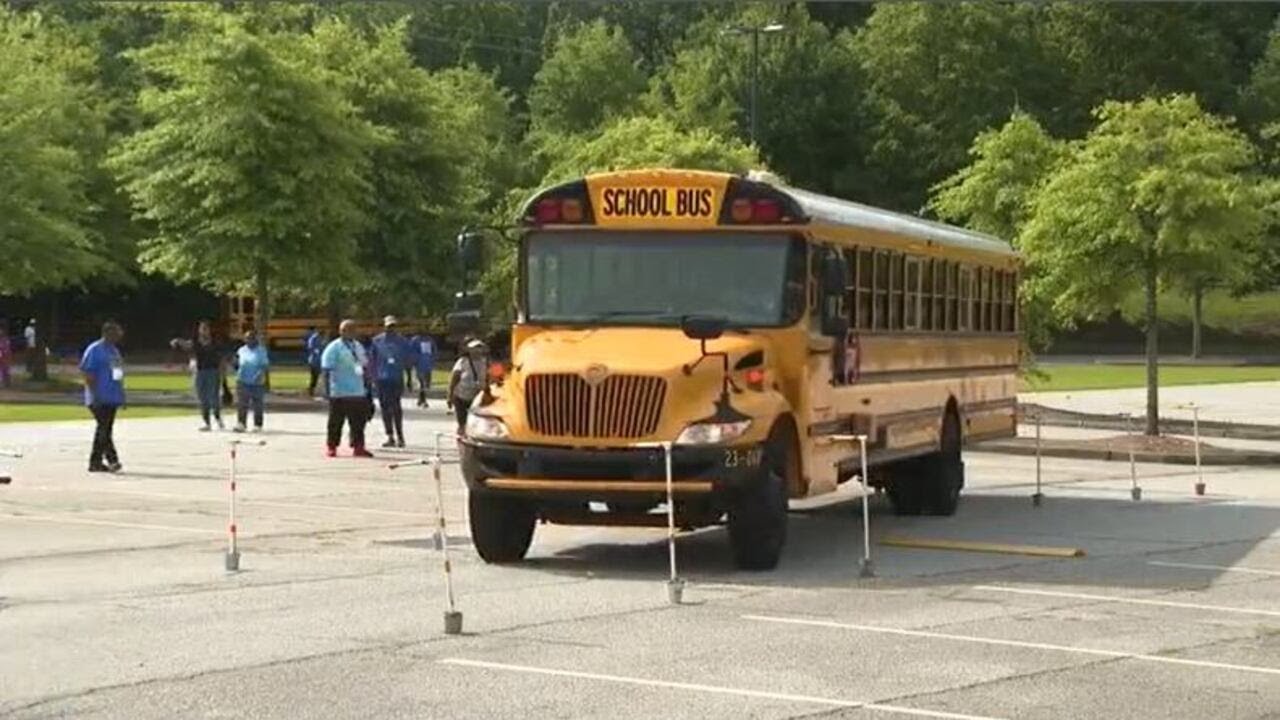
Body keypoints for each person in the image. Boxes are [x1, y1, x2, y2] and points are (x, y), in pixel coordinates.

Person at [320, 319, 373, 458]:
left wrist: (368, 384)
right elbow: (326, 369)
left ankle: (358, 447)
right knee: (335, 422)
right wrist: (326, 390)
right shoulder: (334, 347)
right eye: (345, 330)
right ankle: (332, 446)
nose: (348, 332)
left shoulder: (358, 346)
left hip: (357, 391)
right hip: (339, 391)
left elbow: (364, 365)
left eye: (351, 330)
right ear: (340, 331)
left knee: (358, 422)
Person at [79, 321, 126, 473]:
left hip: (112, 397)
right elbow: (88, 373)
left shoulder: (114, 351)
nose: (119, 336)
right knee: (104, 429)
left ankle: (98, 462)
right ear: (107, 333)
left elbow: (117, 374)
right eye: (116, 333)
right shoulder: (94, 350)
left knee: (105, 430)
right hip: (98, 397)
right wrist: (94, 394)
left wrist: (121, 394)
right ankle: (109, 460)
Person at [170, 320, 225, 431]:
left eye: (206, 328)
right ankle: (207, 423)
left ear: (209, 330)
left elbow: (221, 358)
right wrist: (177, 340)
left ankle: (218, 418)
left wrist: (222, 372)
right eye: (202, 328)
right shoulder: (196, 342)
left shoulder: (215, 342)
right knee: (202, 398)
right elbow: (187, 345)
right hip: (200, 372)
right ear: (199, 330)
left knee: (214, 397)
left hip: (213, 371)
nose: (204, 331)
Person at [371, 315, 410, 448]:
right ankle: (389, 435)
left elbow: (407, 360)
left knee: (396, 407)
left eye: (393, 326)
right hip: (382, 379)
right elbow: (372, 361)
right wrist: (372, 378)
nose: (391, 329)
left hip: (396, 378)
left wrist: (409, 378)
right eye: (389, 326)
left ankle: (400, 435)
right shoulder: (377, 341)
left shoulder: (402, 341)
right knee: (385, 408)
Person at [448, 338, 488, 435]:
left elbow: (494, 376)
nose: (477, 351)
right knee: (462, 422)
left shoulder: (486, 362)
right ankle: (461, 437)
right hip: (461, 396)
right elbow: (454, 379)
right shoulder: (462, 362)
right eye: (475, 348)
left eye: (479, 348)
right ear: (469, 350)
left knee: (476, 422)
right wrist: (450, 395)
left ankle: (472, 437)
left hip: (477, 397)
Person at [232, 329, 270, 433]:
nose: (249, 340)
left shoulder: (261, 350)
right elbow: (236, 362)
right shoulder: (241, 350)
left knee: (257, 404)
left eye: (251, 338)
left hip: (257, 382)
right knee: (242, 403)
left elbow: (265, 365)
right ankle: (241, 424)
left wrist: (261, 375)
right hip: (242, 380)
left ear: (255, 339)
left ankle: (258, 424)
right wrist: (235, 365)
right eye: (247, 338)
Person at [411, 331, 436, 408]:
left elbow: (434, 351)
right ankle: (423, 400)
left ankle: (420, 399)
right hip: (419, 365)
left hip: (428, 365)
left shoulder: (430, 340)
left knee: (426, 384)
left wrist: (432, 360)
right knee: (421, 382)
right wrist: (414, 361)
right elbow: (411, 351)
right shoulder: (415, 340)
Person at [304, 326, 325, 397]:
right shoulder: (314, 338)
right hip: (315, 361)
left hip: (317, 360)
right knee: (315, 376)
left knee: (316, 376)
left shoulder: (316, 338)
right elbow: (312, 348)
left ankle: (314, 389)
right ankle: (312, 389)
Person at [0, 320, 11, 388]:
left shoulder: (5, 340)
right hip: (2, 355)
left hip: (4, 355)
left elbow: (7, 349)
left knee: (5, 368)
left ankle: (6, 382)